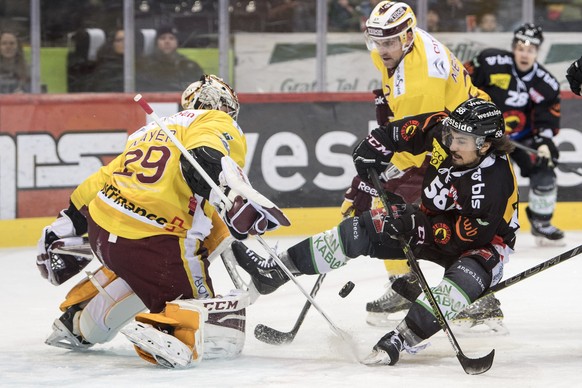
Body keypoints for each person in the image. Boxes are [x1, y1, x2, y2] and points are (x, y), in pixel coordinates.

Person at [231, 98, 518, 366]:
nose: (451, 143)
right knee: (362, 229)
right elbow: (399, 133)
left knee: (456, 287)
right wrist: (373, 147)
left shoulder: (493, 183)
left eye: (462, 141)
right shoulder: (443, 130)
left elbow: (464, 237)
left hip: (482, 245)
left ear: (484, 145)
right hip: (432, 219)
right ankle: (277, 271)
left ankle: (402, 338)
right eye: (451, 135)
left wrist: (412, 225)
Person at [36, 74, 288, 368]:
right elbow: (203, 155)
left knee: (154, 263)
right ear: (228, 106)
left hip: (103, 233)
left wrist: (68, 221)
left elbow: (100, 180)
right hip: (153, 241)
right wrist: (230, 191)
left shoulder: (152, 129)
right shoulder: (217, 122)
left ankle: (79, 322)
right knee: (215, 334)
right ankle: (169, 327)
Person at [342, 0, 499, 330]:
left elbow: (415, 148)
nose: (382, 49)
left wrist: (377, 175)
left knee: (432, 210)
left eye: (389, 42)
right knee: (402, 206)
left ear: (408, 37)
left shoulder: (420, 81)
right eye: (377, 40)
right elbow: (407, 118)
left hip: (465, 140)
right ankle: (409, 282)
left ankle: (477, 296)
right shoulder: (401, 46)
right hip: (455, 129)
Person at [465, 23, 565, 247]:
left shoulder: (546, 84)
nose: (524, 54)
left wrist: (545, 142)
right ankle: (476, 225)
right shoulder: (491, 62)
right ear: (513, 48)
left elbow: (547, 116)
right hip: (488, 137)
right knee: (482, 179)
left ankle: (541, 223)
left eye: (530, 50)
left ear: (537, 52)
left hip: (521, 139)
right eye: (520, 48)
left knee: (544, 169)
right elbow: (462, 81)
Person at [137, 25, 204, 92]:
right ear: (156, 43)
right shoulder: (145, 65)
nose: (167, 42)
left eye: (171, 38)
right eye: (162, 38)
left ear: (176, 43)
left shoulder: (188, 66)